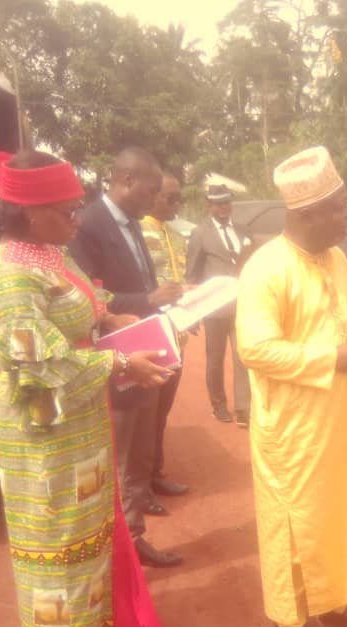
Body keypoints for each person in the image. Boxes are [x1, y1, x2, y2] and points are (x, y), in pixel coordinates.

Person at [0, 149, 168, 627]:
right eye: (67, 210)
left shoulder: (49, 252)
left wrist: (109, 317)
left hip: (76, 418)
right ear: (29, 212)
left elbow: (84, 299)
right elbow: (36, 363)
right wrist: (119, 362)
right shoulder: (10, 276)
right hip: (41, 426)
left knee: (86, 527)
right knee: (55, 535)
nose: (77, 219)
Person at [236, 146, 347, 627]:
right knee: (291, 519)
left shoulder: (338, 258)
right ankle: (291, 616)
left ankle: (338, 598)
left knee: (340, 510)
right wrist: (330, 360)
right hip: (292, 427)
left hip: (342, 417)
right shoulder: (266, 268)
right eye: (340, 208)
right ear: (307, 214)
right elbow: (255, 349)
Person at [69, 147, 186, 565]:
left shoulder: (133, 224)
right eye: (151, 191)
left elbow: (142, 287)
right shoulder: (88, 226)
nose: (155, 200)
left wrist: (170, 307)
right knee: (118, 461)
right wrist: (148, 299)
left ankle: (134, 539)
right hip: (115, 362)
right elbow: (87, 296)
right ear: (127, 181)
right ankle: (116, 550)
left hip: (146, 354)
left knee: (139, 455)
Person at [140, 172, 191, 500]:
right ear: (153, 195)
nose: (177, 204)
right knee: (144, 415)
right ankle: (140, 484)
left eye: (179, 198)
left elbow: (178, 282)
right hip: (149, 335)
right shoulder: (138, 231)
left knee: (161, 414)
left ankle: (155, 474)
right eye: (170, 198)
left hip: (176, 333)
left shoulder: (176, 235)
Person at [186, 184, 251, 427]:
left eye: (226, 202)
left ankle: (244, 408)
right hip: (214, 308)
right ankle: (219, 405)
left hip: (242, 305)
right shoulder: (200, 233)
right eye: (218, 203)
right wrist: (192, 312)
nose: (223, 207)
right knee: (215, 359)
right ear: (209, 206)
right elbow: (192, 274)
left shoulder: (243, 230)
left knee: (243, 355)